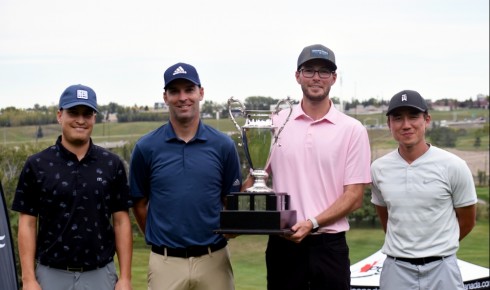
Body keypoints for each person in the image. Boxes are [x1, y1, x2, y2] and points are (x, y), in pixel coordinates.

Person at [262, 44, 372, 290]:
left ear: (333, 78)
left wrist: (312, 222)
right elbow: (256, 181)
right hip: (283, 243)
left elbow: (354, 197)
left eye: (324, 72)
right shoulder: (275, 123)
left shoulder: (352, 130)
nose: (316, 77)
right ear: (297, 75)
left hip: (330, 246)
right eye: (309, 70)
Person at [129, 62, 242, 290]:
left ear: (201, 93)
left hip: (214, 259)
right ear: (165, 96)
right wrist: (160, 238)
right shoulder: (146, 147)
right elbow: (139, 204)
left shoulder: (223, 145)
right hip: (165, 262)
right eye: (175, 91)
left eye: (189, 89)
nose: (183, 97)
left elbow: (231, 201)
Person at [12, 84, 133, 290]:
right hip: (51, 275)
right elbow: (28, 224)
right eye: (73, 112)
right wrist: (29, 279)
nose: (80, 120)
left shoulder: (111, 164)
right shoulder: (37, 164)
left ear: (94, 118)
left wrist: (125, 278)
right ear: (60, 115)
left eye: (87, 114)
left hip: (100, 275)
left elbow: (121, 222)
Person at [370, 90, 477, 290]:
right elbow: (388, 220)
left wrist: (437, 246)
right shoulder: (378, 169)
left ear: (427, 120)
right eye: (398, 118)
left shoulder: (453, 165)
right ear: (389, 124)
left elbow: (468, 221)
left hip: (442, 269)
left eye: (413, 116)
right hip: (396, 270)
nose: (406, 125)